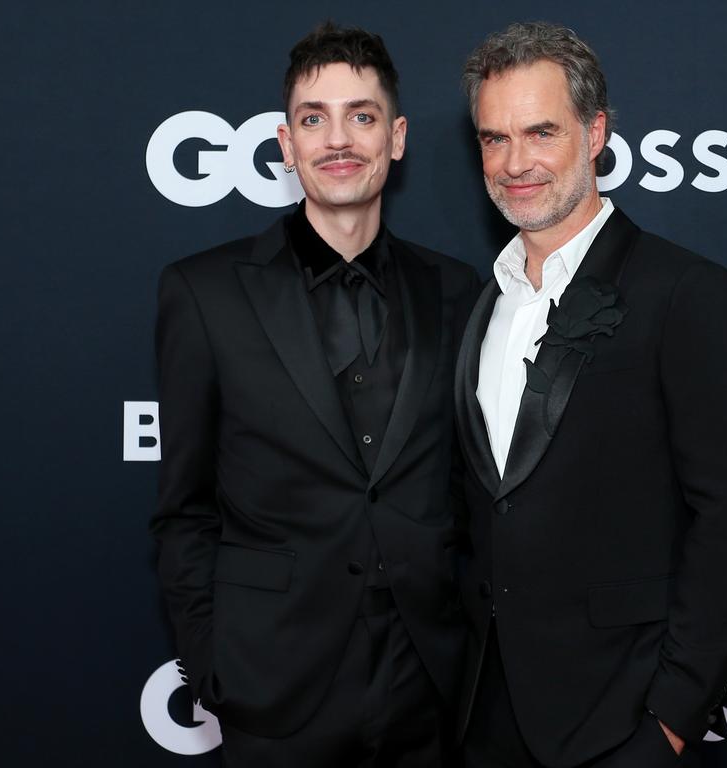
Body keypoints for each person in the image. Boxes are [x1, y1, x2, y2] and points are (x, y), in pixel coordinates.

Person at [150, 21, 478, 768]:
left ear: (395, 139)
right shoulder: (203, 293)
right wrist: (213, 665)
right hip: (273, 686)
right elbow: (183, 508)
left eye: (361, 116)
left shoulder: (459, 292)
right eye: (313, 118)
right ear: (284, 142)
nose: (339, 140)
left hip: (425, 683)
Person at [453, 22, 727, 768]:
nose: (515, 162)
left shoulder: (686, 294)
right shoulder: (482, 302)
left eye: (541, 132)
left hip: (621, 721)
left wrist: (671, 720)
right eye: (494, 138)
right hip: (482, 714)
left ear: (595, 133)